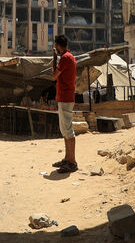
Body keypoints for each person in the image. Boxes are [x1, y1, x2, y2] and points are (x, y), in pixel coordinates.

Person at [51, 34, 78, 173]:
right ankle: (67, 159)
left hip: (66, 97)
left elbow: (54, 75)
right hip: (64, 96)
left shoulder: (66, 58)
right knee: (65, 130)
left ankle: (72, 161)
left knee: (68, 130)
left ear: (57, 45)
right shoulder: (68, 57)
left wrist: (55, 58)